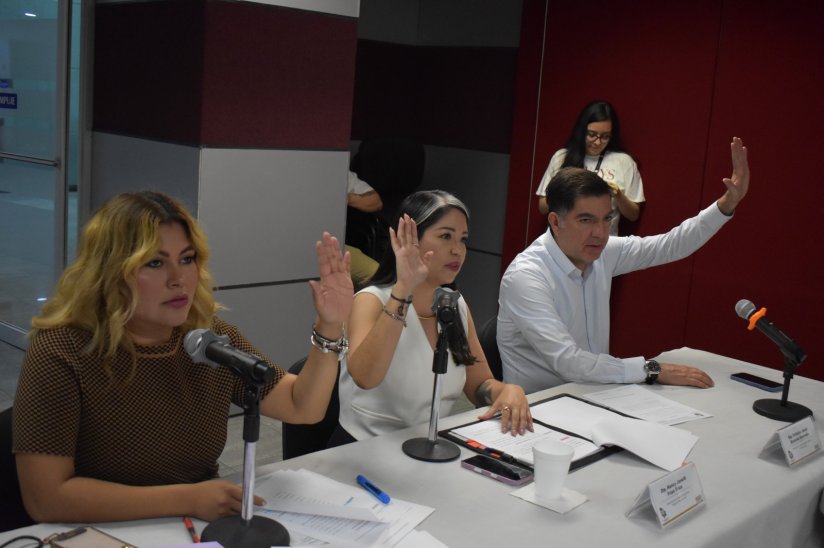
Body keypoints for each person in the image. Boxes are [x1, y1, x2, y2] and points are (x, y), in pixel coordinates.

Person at [13, 190, 353, 524]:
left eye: (187, 259)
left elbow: (301, 407)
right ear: (111, 273)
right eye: (155, 263)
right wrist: (187, 499)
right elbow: (46, 499)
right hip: (100, 529)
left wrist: (330, 324)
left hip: (192, 524)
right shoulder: (62, 349)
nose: (178, 279)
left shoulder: (207, 338)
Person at [499, 137, 749, 394]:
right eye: (586, 220)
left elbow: (671, 245)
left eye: (606, 218)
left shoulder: (603, 252)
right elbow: (568, 362)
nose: (600, 233)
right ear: (555, 221)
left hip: (596, 395)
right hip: (538, 408)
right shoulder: (527, 276)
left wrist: (726, 204)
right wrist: (651, 369)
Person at [331, 190, 533, 445]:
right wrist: (404, 289)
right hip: (364, 448)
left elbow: (478, 385)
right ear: (409, 240)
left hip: (429, 447)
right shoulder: (370, 300)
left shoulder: (454, 304)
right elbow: (365, 377)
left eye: (463, 239)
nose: (457, 250)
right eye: (446, 236)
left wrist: (505, 390)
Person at [536, 100, 644, 235]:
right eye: (592, 135)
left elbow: (633, 215)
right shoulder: (562, 157)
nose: (597, 142)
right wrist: (568, 191)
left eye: (605, 137)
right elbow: (543, 207)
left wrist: (618, 195)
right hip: (563, 240)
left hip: (601, 241)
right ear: (582, 131)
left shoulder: (624, 162)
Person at [344, 170, 382, 286]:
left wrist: (345, 197)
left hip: (333, 245)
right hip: (300, 244)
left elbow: (375, 202)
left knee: (380, 278)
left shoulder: (336, 170)